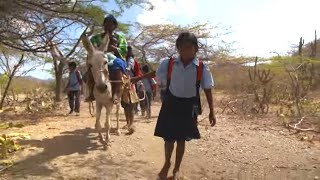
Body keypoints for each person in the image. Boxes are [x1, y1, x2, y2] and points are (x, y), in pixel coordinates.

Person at [154, 32, 217, 180]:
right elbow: (159, 80)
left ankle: (176, 169)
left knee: (181, 139)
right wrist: (160, 84)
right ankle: (167, 163)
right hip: (171, 103)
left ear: (195, 49)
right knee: (168, 139)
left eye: (189, 47)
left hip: (188, 106)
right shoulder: (168, 63)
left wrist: (212, 112)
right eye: (182, 47)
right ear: (178, 48)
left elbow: (208, 89)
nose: (186, 51)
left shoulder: (202, 67)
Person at [85, 14, 128, 103]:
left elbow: (124, 51)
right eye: (106, 24)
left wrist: (114, 48)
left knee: (117, 65)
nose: (108, 26)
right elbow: (91, 51)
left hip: (116, 58)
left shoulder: (121, 38)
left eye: (110, 24)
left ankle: (115, 94)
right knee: (91, 69)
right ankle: (91, 93)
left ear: (115, 26)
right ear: (103, 26)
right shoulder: (95, 38)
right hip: (100, 59)